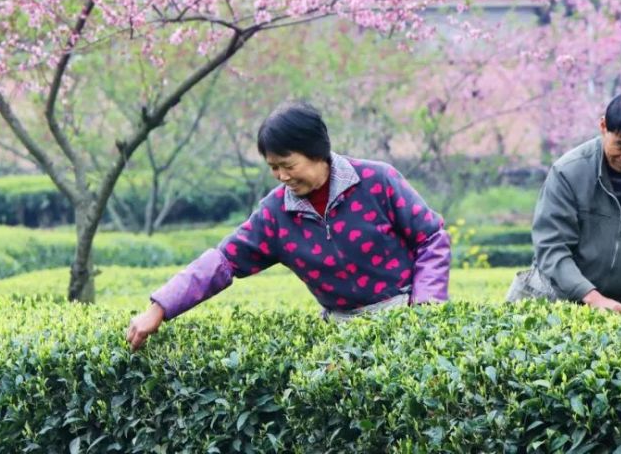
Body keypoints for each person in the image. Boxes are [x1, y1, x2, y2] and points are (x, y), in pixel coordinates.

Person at [127, 101, 451, 350]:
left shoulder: (377, 180)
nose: (282, 177)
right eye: (273, 168)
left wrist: (424, 311)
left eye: (288, 165)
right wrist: (159, 308)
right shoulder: (276, 214)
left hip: (405, 319)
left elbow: (431, 237)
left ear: (317, 152)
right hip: (343, 332)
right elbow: (223, 261)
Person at [506, 92, 621, 315]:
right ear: (603, 126)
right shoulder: (568, 172)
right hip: (551, 303)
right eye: (620, 145)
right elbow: (551, 249)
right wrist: (593, 298)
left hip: (615, 311)